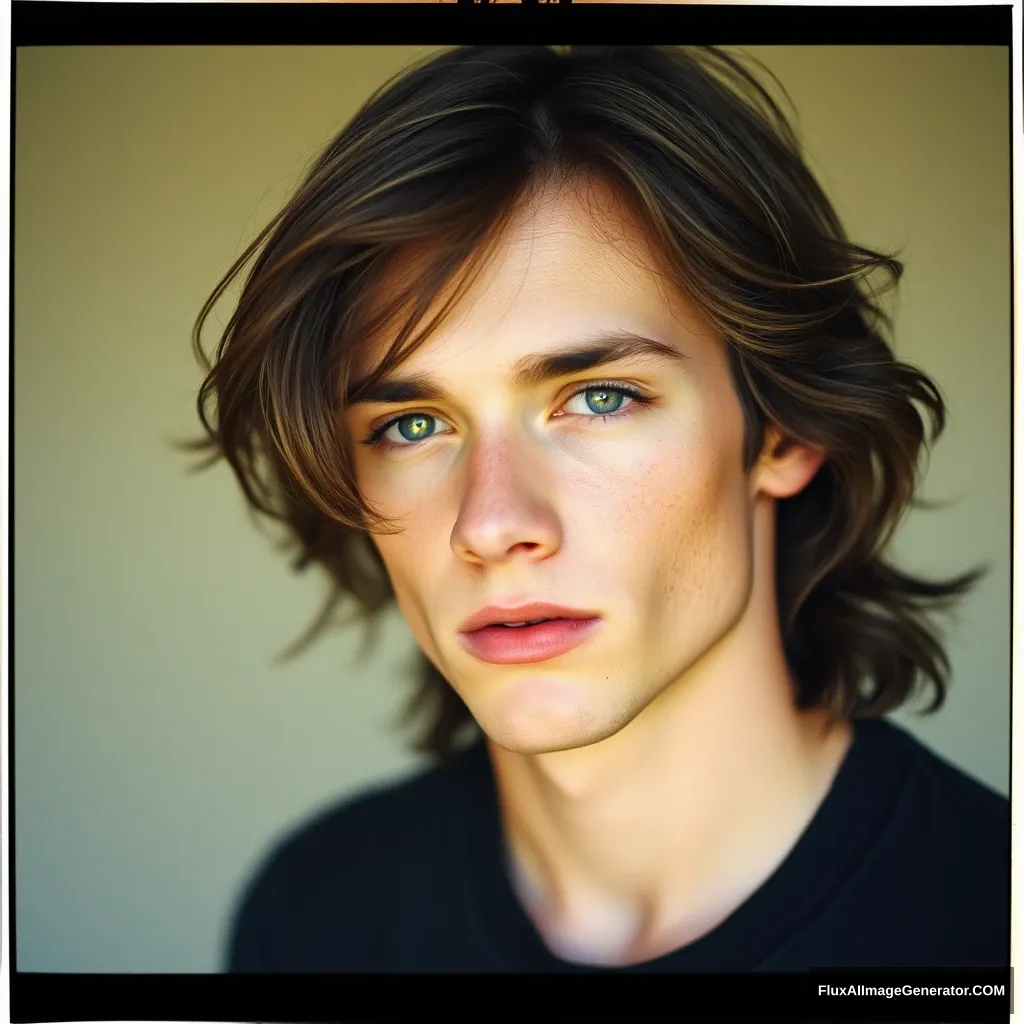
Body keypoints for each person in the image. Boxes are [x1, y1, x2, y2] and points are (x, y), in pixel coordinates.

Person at [185, 45, 1008, 972]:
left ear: (783, 430)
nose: (490, 524)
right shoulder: (318, 915)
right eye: (413, 423)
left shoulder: (989, 925)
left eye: (601, 398)